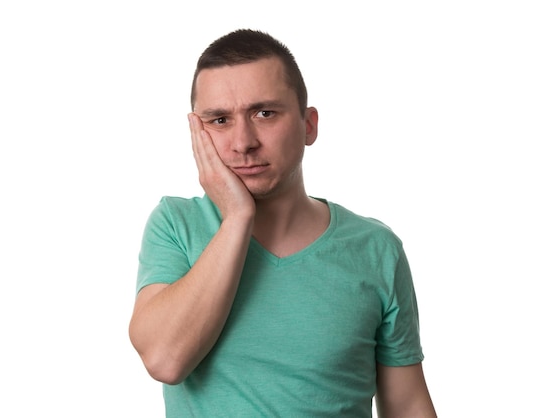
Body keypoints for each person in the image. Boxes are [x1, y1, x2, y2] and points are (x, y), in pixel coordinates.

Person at [129, 29, 437, 417]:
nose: (243, 142)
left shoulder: (376, 248)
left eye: (265, 113)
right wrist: (238, 218)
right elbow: (165, 360)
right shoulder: (176, 224)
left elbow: (406, 405)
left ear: (309, 125)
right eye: (220, 120)